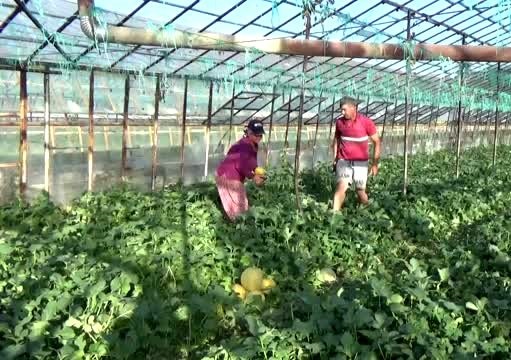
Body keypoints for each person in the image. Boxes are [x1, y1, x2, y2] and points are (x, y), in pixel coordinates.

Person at [331, 96, 381, 211]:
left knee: (360, 191)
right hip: (343, 161)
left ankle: (368, 213)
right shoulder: (340, 123)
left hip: (361, 163)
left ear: (354, 108)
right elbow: (337, 140)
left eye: (345, 109)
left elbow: (377, 142)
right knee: (341, 187)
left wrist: (375, 164)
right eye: (341, 110)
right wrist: (335, 159)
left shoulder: (366, 122)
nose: (342, 113)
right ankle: (334, 216)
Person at [215, 119, 266, 221]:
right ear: (249, 132)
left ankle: (235, 227)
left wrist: (256, 170)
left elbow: (250, 161)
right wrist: (253, 176)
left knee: (239, 204)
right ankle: (238, 229)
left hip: (231, 175)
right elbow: (241, 164)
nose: (259, 137)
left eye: (260, 135)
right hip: (228, 176)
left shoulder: (252, 144)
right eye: (256, 134)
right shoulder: (245, 145)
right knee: (238, 207)